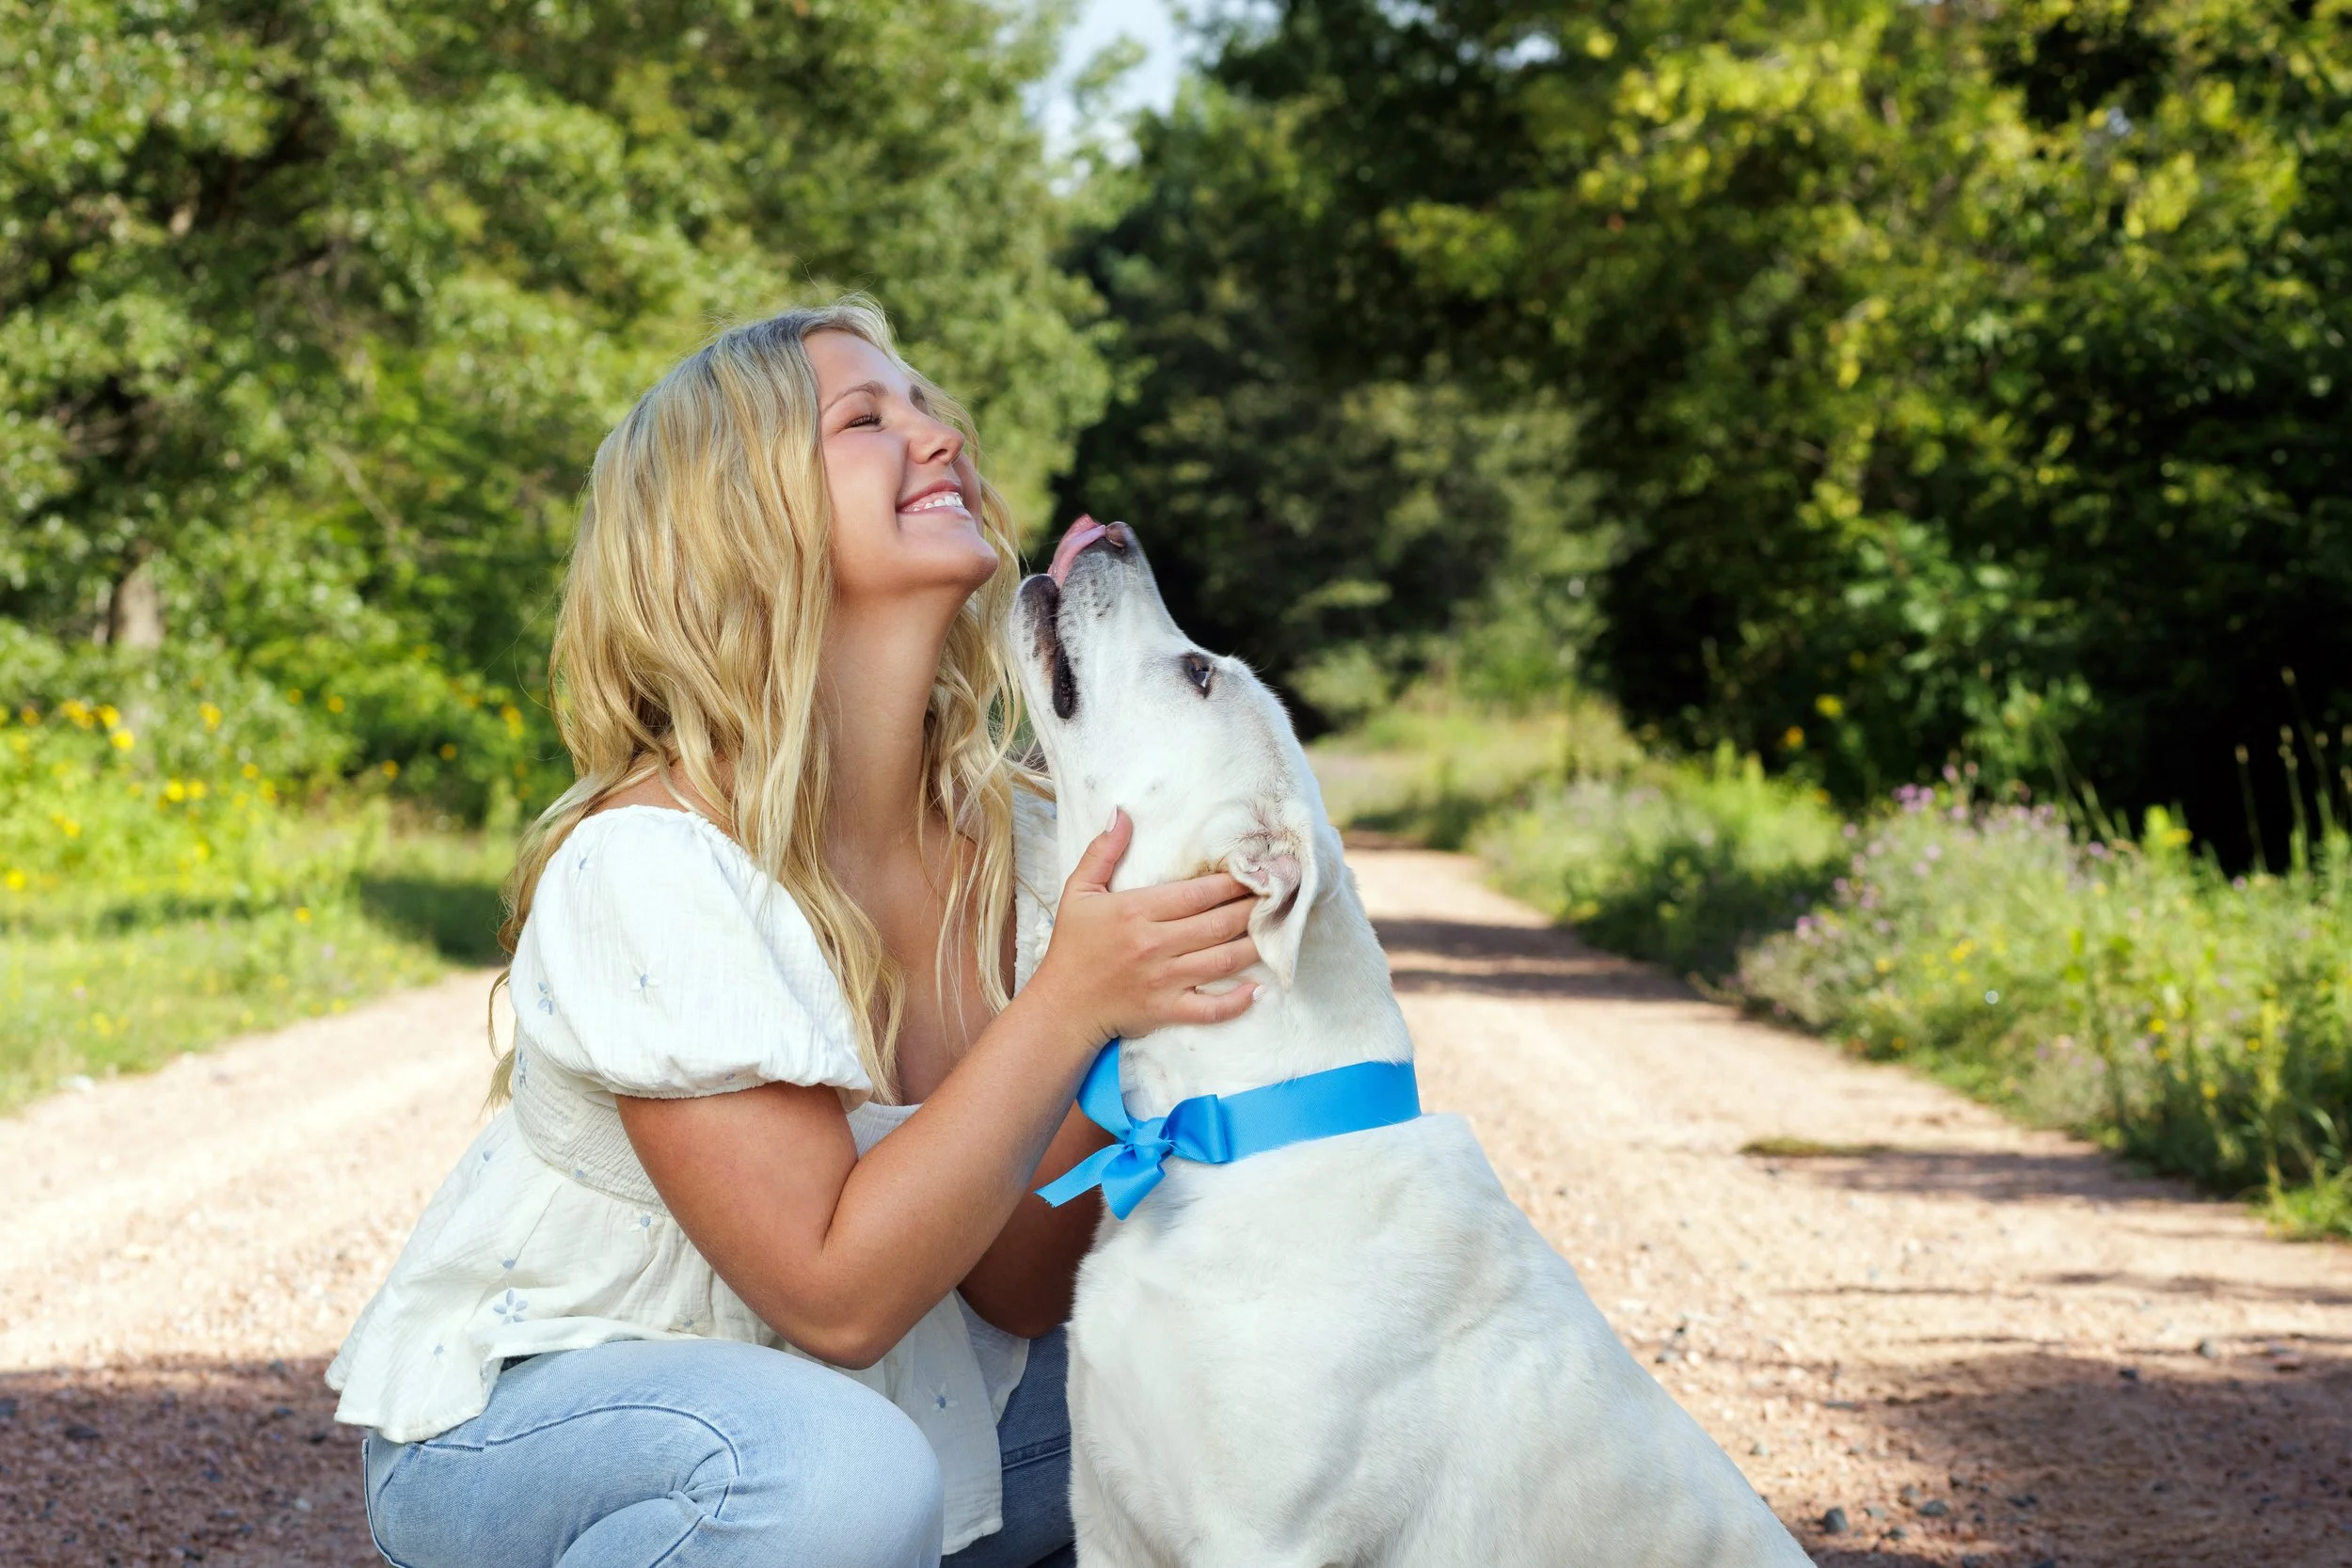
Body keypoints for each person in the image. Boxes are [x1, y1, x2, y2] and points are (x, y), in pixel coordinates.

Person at [327, 297, 1263, 1568]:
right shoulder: (651, 860)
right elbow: (839, 1295)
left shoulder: (1034, 840)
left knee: (1253, 1387)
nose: (937, 437)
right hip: (572, 1419)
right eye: (866, 419)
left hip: (894, 1419)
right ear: (737, 518)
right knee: (833, 1481)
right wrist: (1071, 1002)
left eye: (929, 409)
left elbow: (1016, 1287)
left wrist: (1130, 1005)